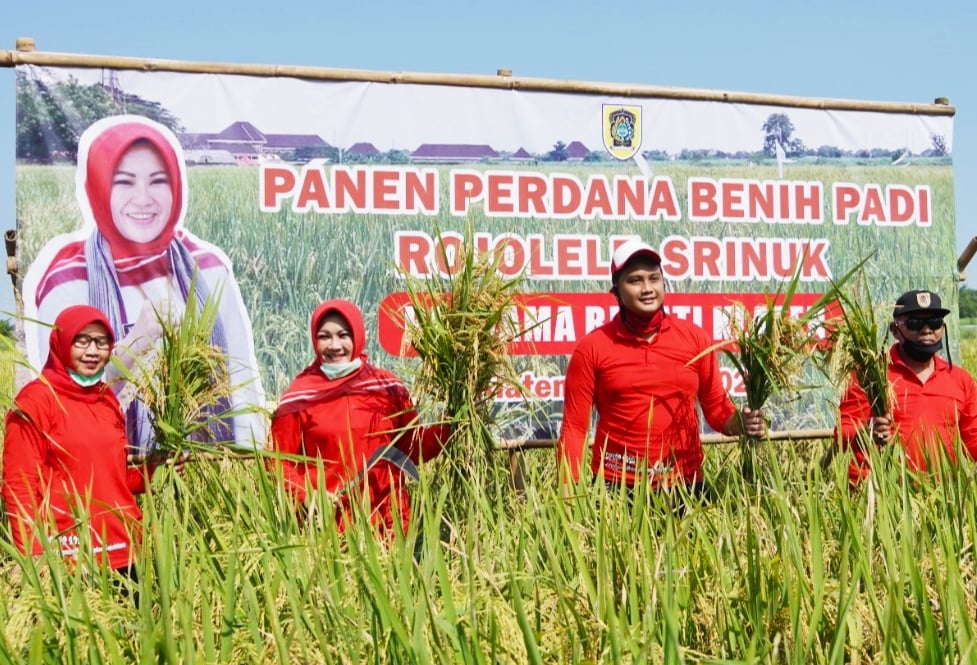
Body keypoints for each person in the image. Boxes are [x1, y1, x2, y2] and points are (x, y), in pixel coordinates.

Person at [21, 115, 266, 455]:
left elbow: (240, 383)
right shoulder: (69, 277)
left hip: (204, 472)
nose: (143, 198)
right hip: (108, 480)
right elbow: (64, 400)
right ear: (99, 185)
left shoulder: (206, 269)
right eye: (124, 182)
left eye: (157, 181)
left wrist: (245, 469)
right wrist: (140, 337)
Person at [557, 238, 766, 496]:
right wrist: (568, 499)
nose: (647, 288)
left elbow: (716, 409)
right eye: (635, 280)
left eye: (654, 279)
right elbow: (575, 429)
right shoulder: (591, 348)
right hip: (617, 489)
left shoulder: (695, 339)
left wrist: (742, 423)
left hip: (686, 488)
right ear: (616, 291)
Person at [2, 305, 156, 592]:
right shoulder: (36, 402)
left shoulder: (106, 401)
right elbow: (18, 487)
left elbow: (113, 477)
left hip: (124, 549)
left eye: (101, 342)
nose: (92, 351)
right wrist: (34, 559)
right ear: (61, 342)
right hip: (72, 557)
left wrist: (155, 468)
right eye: (81, 340)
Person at [269, 299, 446, 533]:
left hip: (388, 527)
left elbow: (412, 448)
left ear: (358, 335)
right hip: (329, 532)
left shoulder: (387, 388)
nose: (334, 345)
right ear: (314, 339)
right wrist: (308, 496)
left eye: (344, 335)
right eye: (325, 337)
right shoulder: (299, 397)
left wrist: (454, 424)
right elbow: (276, 461)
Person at [836, 289, 977, 483]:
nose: (927, 330)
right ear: (895, 330)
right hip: (881, 497)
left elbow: (973, 438)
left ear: (943, 328)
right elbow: (842, 432)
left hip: (941, 500)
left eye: (935, 322)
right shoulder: (869, 375)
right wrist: (868, 430)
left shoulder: (960, 380)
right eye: (915, 323)